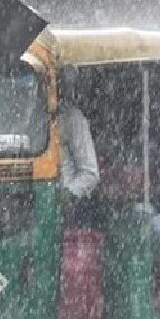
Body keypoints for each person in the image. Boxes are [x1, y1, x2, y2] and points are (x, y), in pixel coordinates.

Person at [57, 65, 100, 223]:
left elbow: (90, 173)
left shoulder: (72, 118)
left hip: (61, 212)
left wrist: (67, 194)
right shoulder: (30, 116)